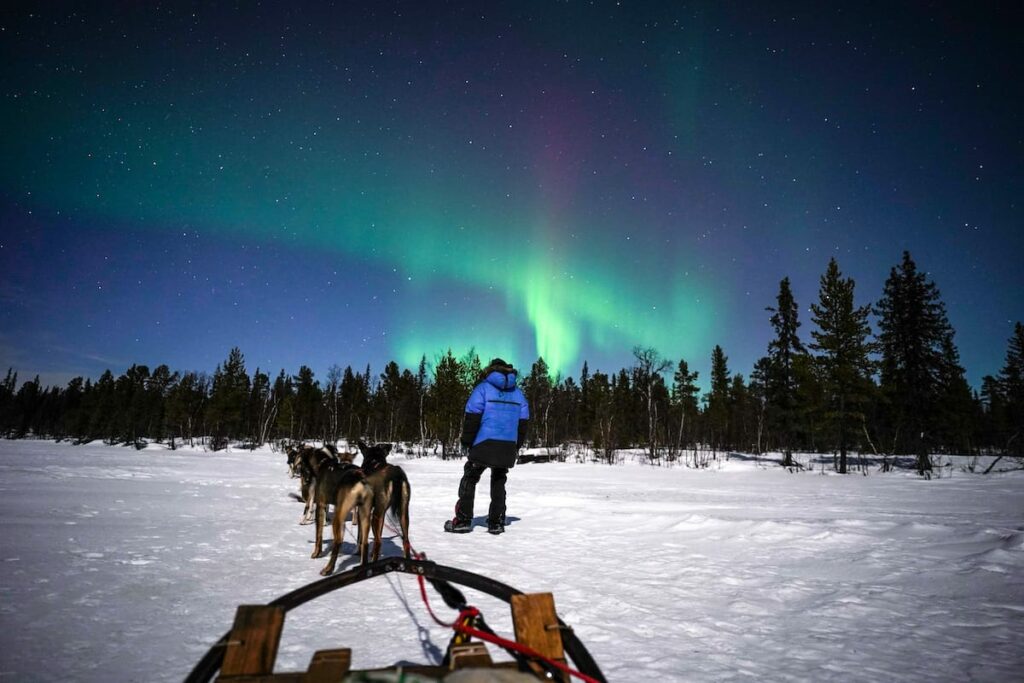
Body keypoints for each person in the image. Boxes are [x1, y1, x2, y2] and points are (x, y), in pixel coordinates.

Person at [444, 358, 529, 535]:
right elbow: (523, 424)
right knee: (499, 480)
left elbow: (472, 418)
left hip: (484, 443)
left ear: (491, 370)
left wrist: (467, 441)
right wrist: (515, 446)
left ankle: (463, 520)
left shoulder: (482, 389)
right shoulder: (519, 394)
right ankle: (496, 522)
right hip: (507, 446)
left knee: (470, 477)